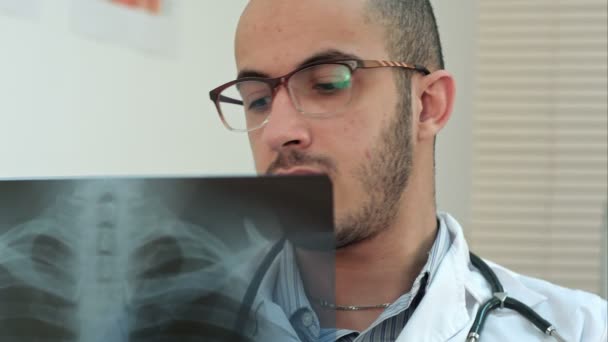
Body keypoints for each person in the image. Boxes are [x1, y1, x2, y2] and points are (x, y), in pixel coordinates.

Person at [209, 0, 608, 341]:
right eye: (258, 100)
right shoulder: (176, 317)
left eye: (328, 84)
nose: (278, 132)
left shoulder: (583, 330)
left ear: (428, 105)